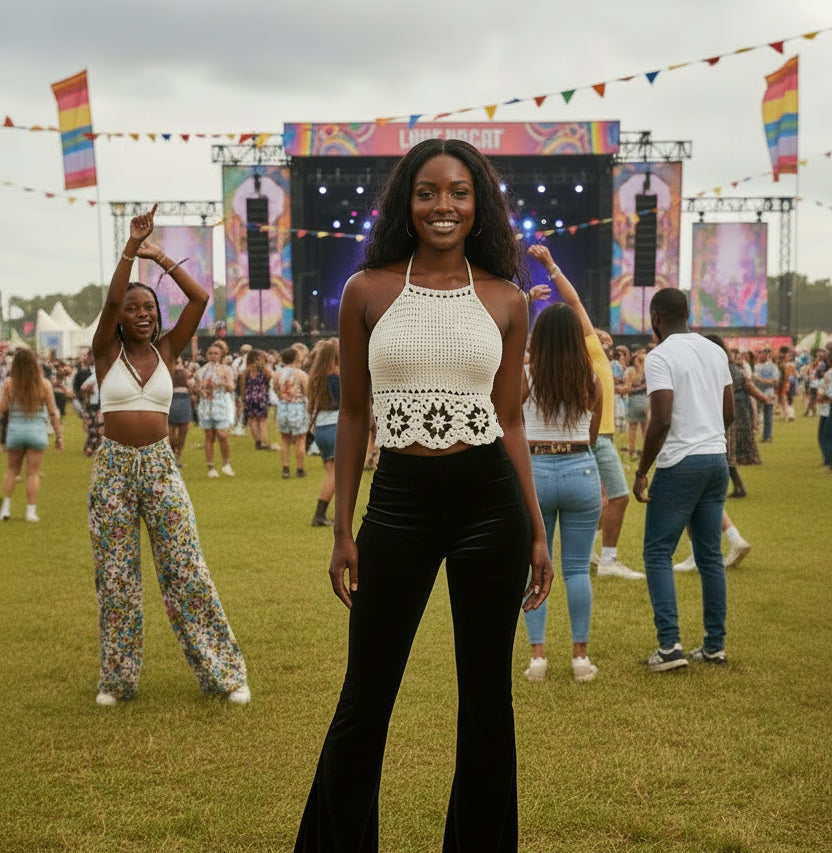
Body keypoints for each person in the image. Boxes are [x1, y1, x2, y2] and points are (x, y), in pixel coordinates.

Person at [294, 138, 553, 853]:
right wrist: (342, 529)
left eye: (459, 192)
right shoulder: (368, 290)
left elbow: (510, 420)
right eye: (429, 192)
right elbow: (354, 414)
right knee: (365, 696)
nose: (444, 205)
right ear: (406, 202)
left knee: (487, 702)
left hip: (491, 504)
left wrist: (536, 531)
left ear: (479, 205)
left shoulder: (505, 298)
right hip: (399, 502)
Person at [88, 203, 249, 706]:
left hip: (160, 466)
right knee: (117, 578)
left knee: (186, 568)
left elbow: (199, 298)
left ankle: (224, 675)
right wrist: (130, 250)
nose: (143, 314)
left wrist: (159, 257)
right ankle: (117, 681)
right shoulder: (105, 352)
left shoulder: (168, 351)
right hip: (113, 468)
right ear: (119, 319)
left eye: (149, 308)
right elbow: (111, 301)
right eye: (133, 309)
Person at [634, 288, 733, 671]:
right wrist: (709, 435)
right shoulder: (714, 351)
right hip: (716, 459)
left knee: (657, 552)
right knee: (710, 556)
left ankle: (669, 646)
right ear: (687, 313)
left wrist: (642, 470)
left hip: (680, 463)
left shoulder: (660, 356)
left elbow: (661, 419)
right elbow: (728, 412)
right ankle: (714, 646)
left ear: (656, 318)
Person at [518, 291, 603, 683]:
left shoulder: (525, 377)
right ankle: (580, 658)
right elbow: (592, 435)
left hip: (535, 471)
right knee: (577, 569)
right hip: (581, 469)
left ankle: (538, 658)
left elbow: (510, 422)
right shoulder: (590, 379)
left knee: (534, 567)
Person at [0, 347, 63, 521]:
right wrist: (59, 436)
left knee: (12, 471)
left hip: (15, 431)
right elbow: (52, 413)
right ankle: (30, 512)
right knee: (32, 474)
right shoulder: (44, 384)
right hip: (37, 431)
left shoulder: (9, 384)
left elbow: (2, 409)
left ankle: (5, 509)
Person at [306, 337, 340, 526]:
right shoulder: (335, 379)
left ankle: (328, 514)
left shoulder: (316, 378)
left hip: (321, 428)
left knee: (331, 472)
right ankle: (319, 515)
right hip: (335, 427)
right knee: (335, 474)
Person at [196, 342, 236, 477]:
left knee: (222, 434)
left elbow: (231, 388)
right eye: (211, 353)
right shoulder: (202, 371)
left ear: (221, 355)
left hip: (220, 404)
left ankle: (226, 464)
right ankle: (211, 467)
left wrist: (223, 381)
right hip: (206, 405)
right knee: (209, 436)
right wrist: (201, 389)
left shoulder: (226, 370)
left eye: (216, 353)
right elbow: (197, 387)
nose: (213, 356)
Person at [273, 345, 309, 478]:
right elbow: (307, 392)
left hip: (283, 406)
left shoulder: (278, 374)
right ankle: (300, 468)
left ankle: (286, 468)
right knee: (300, 439)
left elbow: (276, 389)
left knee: (284, 438)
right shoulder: (301, 374)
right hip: (297, 406)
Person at [241, 348, 273, 450]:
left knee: (252, 419)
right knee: (262, 420)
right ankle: (264, 441)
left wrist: (243, 397)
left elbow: (243, 385)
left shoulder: (246, 371)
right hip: (261, 397)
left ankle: (257, 441)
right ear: (257, 359)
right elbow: (270, 377)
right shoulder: (263, 370)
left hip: (249, 397)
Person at [167, 357, 193, 466]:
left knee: (177, 432)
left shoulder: (184, 372)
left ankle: (175, 457)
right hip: (176, 400)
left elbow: (192, 387)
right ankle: (175, 456)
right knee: (176, 433)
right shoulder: (184, 372)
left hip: (179, 401)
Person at [753, 346, 779, 443]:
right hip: (757, 393)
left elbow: (775, 381)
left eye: (762, 353)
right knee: (757, 414)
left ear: (767, 354)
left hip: (768, 393)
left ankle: (767, 436)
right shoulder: (756, 366)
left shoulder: (772, 367)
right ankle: (760, 434)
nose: (760, 355)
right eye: (759, 352)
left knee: (768, 415)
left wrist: (761, 380)